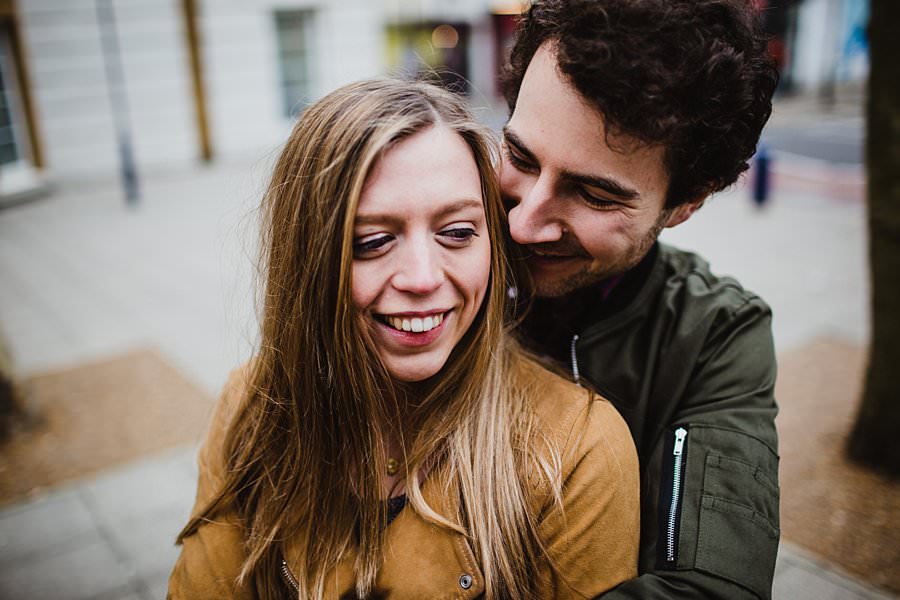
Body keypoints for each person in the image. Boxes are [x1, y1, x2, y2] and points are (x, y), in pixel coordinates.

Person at [168, 78, 639, 599]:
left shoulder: (574, 453)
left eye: (457, 232)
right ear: (308, 261)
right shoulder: (252, 407)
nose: (422, 277)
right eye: (373, 242)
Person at [499, 1, 780, 598]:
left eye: (594, 195)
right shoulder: (430, 272)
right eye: (520, 157)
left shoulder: (715, 334)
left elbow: (708, 588)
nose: (523, 224)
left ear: (686, 204)